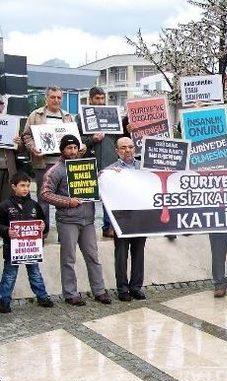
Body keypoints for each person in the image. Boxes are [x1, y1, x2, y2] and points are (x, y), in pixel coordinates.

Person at [40, 135, 111, 306]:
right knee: (68, 259)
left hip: (88, 220)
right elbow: (45, 194)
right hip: (67, 220)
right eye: (69, 148)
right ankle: (70, 294)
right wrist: (67, 202)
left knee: (93, 256)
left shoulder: (86, 166)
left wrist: (108, 174)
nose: (72, 151)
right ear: (62, 149)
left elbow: (98, 182)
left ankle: (99, 291)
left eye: (75, 148)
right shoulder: (55, 170)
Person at [22, 86, 79, 226]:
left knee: (66, 196)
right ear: (46, 98)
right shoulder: (35, 115)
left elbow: (75, 138)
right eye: (53, 97)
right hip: (43, 162)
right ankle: (43, 230)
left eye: (59, 97)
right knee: (44, 197)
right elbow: (26, 136)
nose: (56, 100)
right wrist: (32, 147)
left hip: (65, 163)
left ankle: (65, 230)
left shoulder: (68, 116)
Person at [0, 172, 54, 312]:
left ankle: (42, 297)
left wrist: (43, 226)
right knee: (9, 275)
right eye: (22, 186)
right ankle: (3, 301)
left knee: (35, 273)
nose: (25, 189)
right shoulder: (5, 205)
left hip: (31, 249)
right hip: (12, 248)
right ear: (13, 186)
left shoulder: (34, 205)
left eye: (28, 186)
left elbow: (44, 223)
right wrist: (7, 231)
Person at [104, 137, 147, 301]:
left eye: (130, 147)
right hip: (121, 218)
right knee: (121, 254)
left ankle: (136, 287)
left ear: (134, 149)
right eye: (123, 148)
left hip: (141, 217)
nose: (127, 150)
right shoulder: (110, 170)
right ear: (117, 151)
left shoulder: (143, 168)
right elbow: (106, 196)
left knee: (139, 253)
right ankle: (122, 288)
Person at [76, 86, 120, 238]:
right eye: (97, 98)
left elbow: (120, 138)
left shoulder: (113, 115)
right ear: (90, 99)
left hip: (109, 161)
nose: (100, 102)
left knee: (110, 195)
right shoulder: (80, 117)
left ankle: (109, 227)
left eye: (102, 98)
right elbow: (77, 140)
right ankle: (87, 229)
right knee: (88, 197)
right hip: (88, 160)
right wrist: (91, 139)